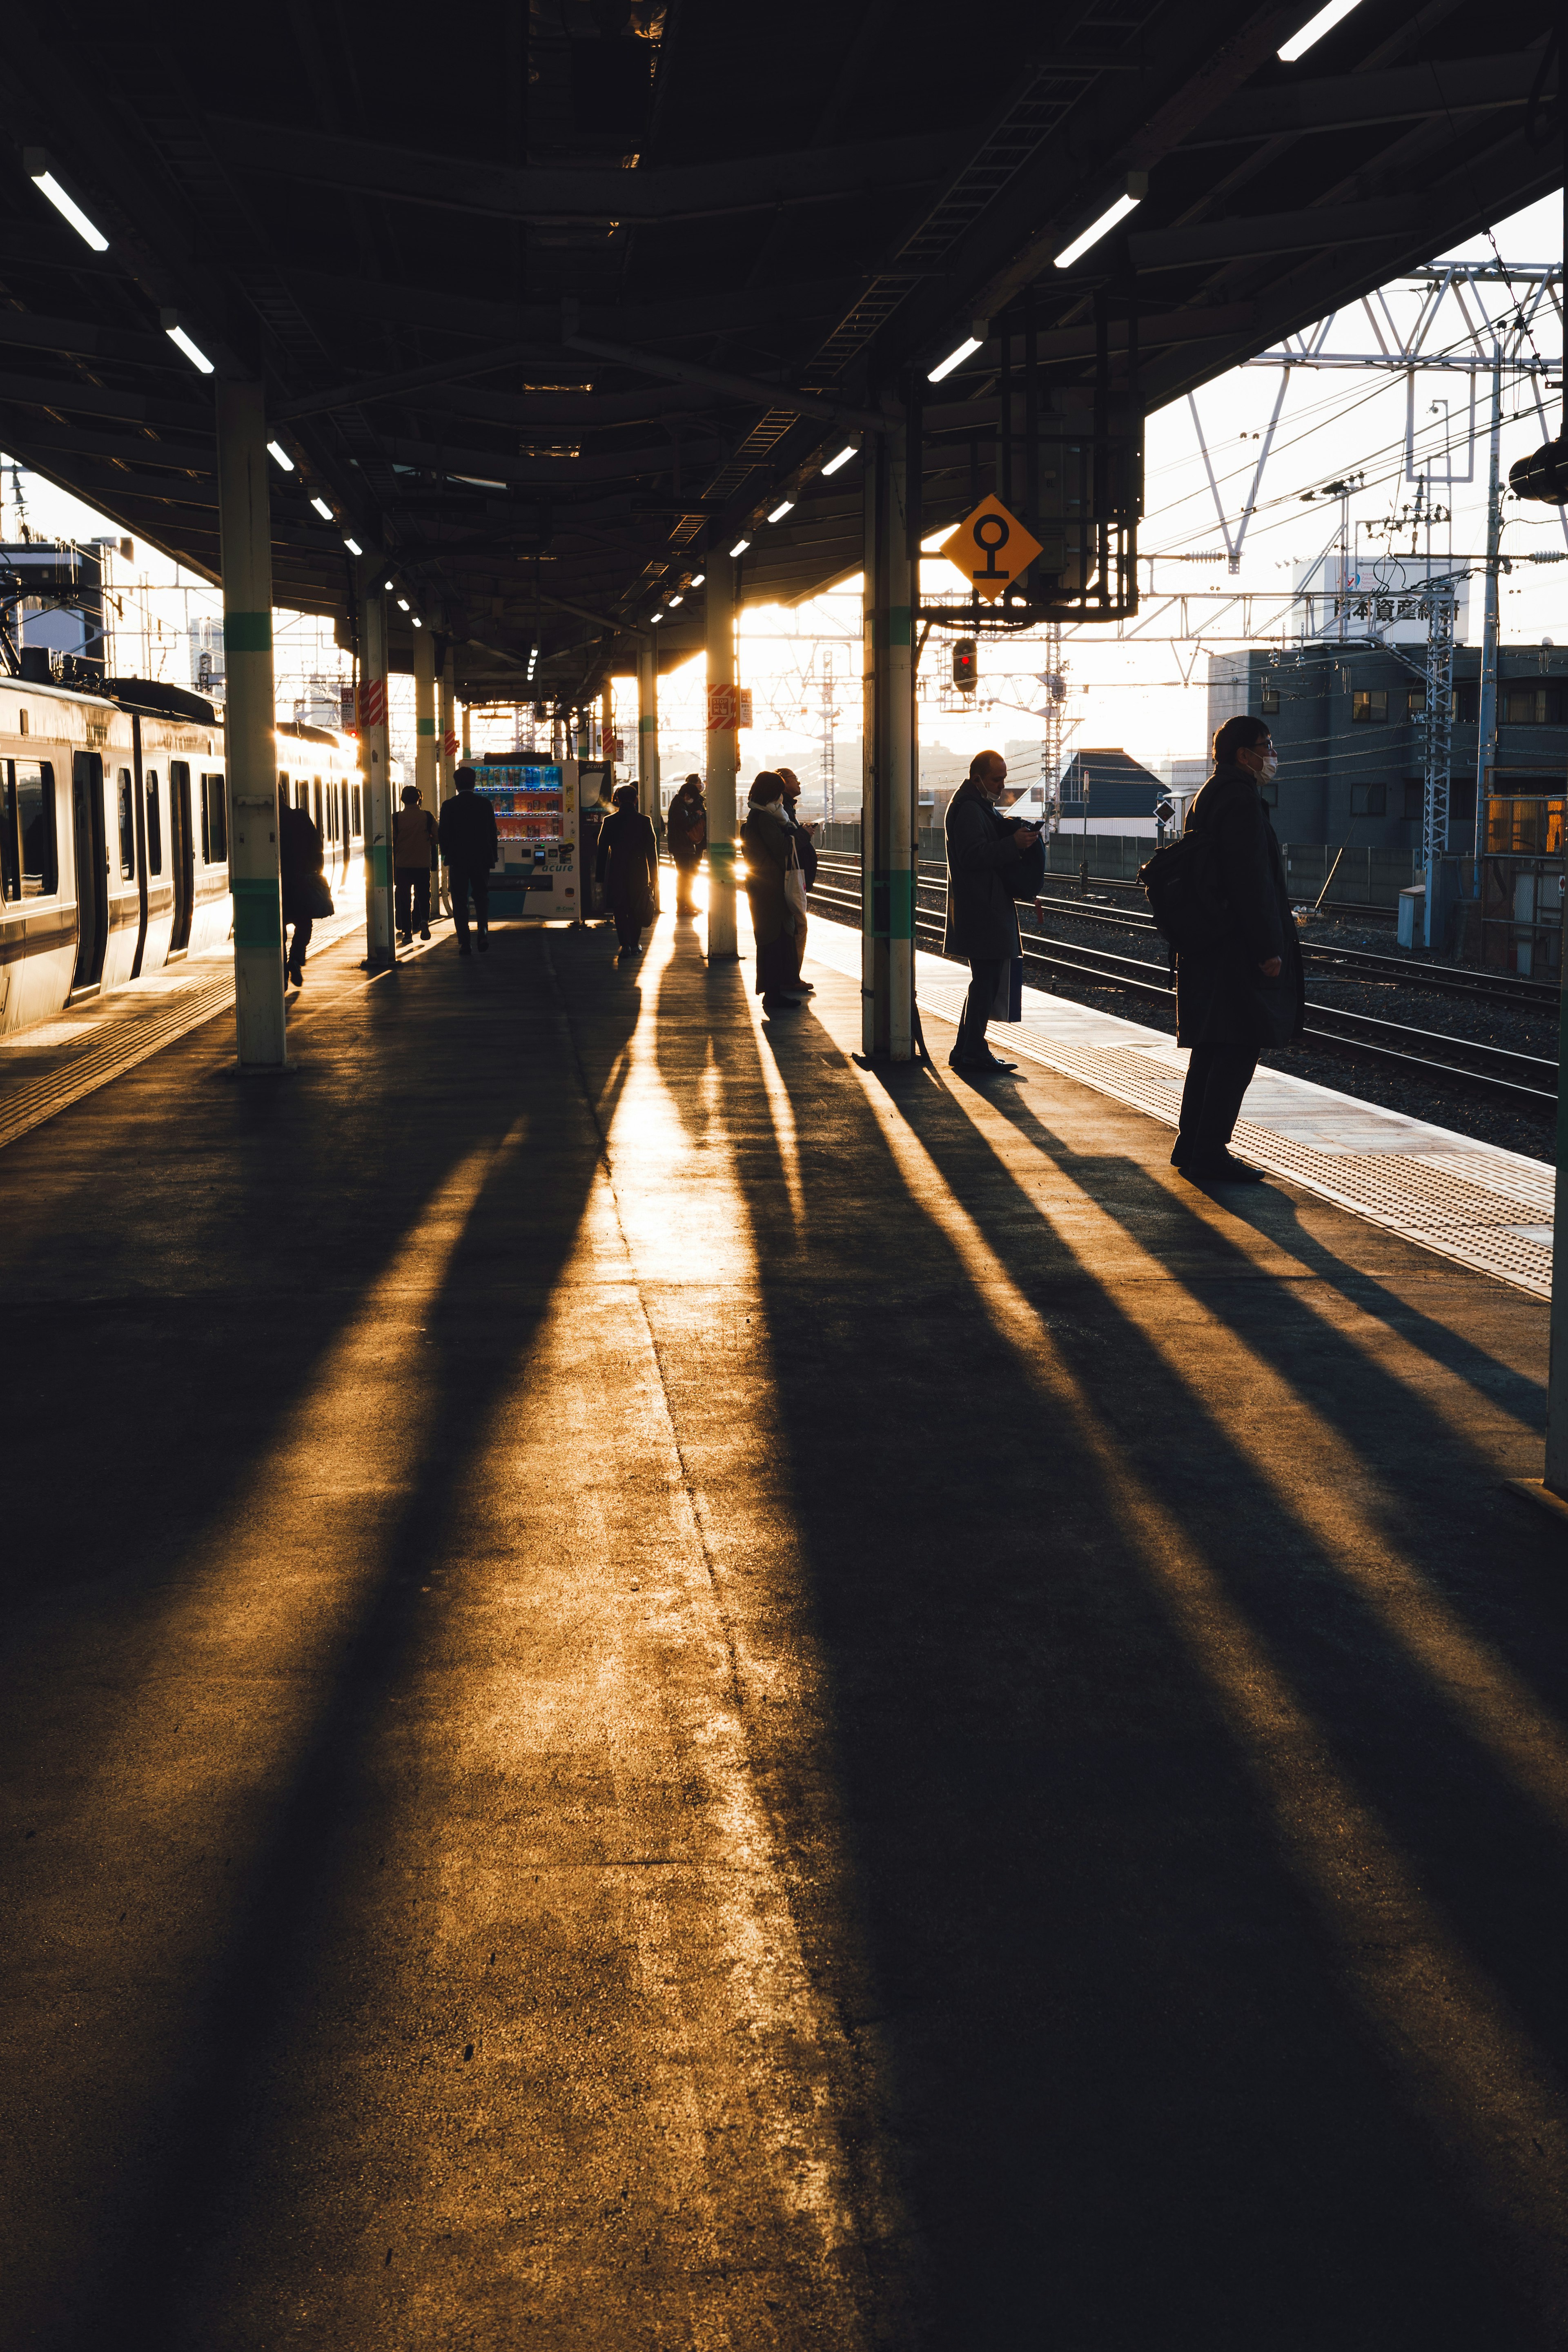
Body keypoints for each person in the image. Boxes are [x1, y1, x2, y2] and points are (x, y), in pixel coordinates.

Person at [1172, 714, 1304, 1181]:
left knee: (1212, 1048)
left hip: (1211, 943)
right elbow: (1252, 883)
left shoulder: (1209, 796)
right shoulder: (1242, 803)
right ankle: (1209, 1151)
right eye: (1266, 746)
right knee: (1237, 1049)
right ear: (1244, 755)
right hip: (1236, 949)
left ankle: (1191, 1144)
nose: (1272, 755)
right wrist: (1269, 947)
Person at [942, 748, 1042, 1072]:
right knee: (985, 982)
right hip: (982, 908)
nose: (1002, 785)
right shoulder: (970, 809)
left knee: (983, 982)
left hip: (982, 905)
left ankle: (967, 1049)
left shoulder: (975, 805)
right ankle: (973, 1051)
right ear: (978, 779)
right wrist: (1013, 844)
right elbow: (973, 855)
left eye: (1004, 779)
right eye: (996, 779)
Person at [742, 772, 805, 1011]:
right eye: (779, 791)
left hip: (766, 886)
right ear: (772, 792)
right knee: (773, 939)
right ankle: (772, 994)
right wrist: (801, 835)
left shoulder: (761, 814)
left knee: (777, 938)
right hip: (769, 888)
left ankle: (775, 991)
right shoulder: (764, 818)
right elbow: (780, 848)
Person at [439, 765, 499, 957]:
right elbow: (492, 833)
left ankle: (465, 942)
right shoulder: (485, 804)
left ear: (456, 785)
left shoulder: (449, 806)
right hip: (481, 859)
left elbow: (444, 835)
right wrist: (494, 856)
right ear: (474, 784)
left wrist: (447, 854)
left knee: (460, 900)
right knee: (482, 897)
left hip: (458, 860)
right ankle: (483, 931)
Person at [595, 783, 659, 954]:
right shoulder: (645, 821)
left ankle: (624, 945)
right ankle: (634, 943)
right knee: (637, 907)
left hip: (617, 870)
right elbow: (651, 852)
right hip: (639, 872)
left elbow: (602, 850)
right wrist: (655, 877)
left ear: (617, 799)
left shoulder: (609, 821)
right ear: (636, 799)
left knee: (620, 908)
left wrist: (600, 878)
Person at [776, 766, 818, 996]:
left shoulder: (786, 807)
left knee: (796, 928)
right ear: (783, 783)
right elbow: (787, 843)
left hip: (795, 877)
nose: (799, 782)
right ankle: (791, 978)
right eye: (794, 779)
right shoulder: (781, 810)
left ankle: (792, 976)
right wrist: (805, 834)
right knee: (797, 927)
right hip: (790, 878)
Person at [278, 789, 324, 989]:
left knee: (277, 931)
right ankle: (296, 959)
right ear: (283, 797)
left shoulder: (262, 822)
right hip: (301, 884)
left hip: (275, 888)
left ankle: (281, 968)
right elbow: (317, 847)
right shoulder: (300, 817)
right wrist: (316, 872)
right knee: (304, 925)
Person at [393, 785, 437, 946]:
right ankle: (424, 920)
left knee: (404, 899)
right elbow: (438, 837)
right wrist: (427, 841)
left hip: (402, 865)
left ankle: (407, 933)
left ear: (402, 800)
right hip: (422, 864)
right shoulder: (427, 816)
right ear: (419, 799)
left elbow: (392, 839)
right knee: (423, 895)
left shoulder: (396, 818)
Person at [666, 774, 707, 917]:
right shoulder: (679, 806)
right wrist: (697, 814)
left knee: (686, 877)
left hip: (683, 846)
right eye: (692, 799)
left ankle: (686, 904)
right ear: (687, 795)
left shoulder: (680, 804)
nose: (692, 801)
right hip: (682, 847)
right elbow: (686, 824)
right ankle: (683, 906)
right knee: (685, 877)